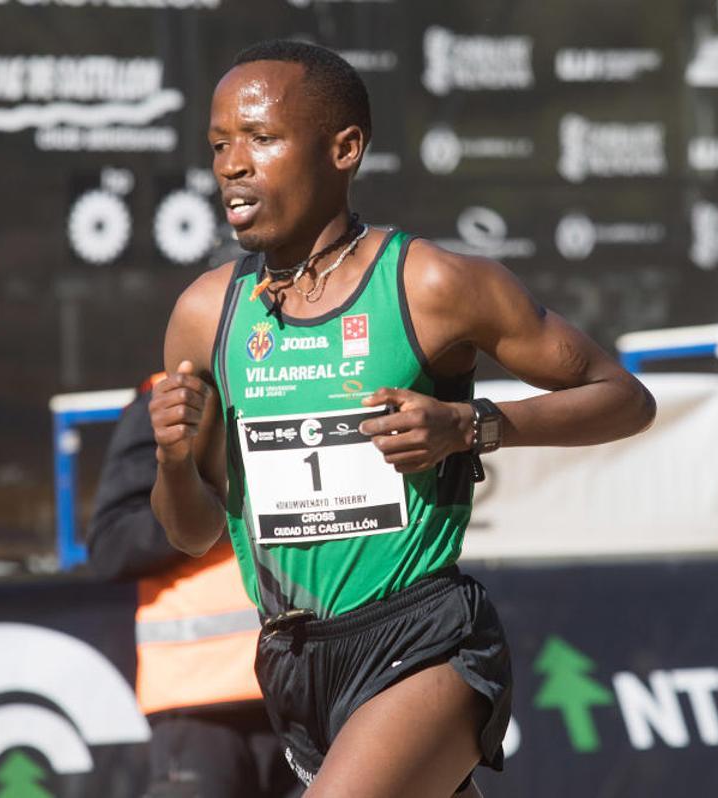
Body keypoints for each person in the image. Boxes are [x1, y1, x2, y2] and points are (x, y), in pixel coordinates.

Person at [149, 40, 657, 798]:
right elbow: (191, 533)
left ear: (344, 148)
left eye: (261, 138)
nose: (233, 165)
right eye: (220, 144)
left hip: (423, 637)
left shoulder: (430, 284)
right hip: (293, 657)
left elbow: (624, 397)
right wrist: (171, 459)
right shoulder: (205, 313)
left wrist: (470, 425)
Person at [88, 374, 302, 798]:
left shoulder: (314, 380)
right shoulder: (168, 397)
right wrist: (209, 512)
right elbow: (112, 546)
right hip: (200, 704)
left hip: (310, 684)